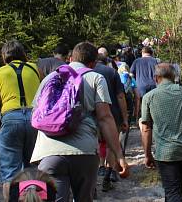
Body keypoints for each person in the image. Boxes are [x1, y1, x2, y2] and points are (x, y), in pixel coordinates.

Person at [31, 41, 129, 202]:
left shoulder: (49, 78)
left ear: (70, 58)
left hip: (48, 152)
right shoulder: (95, 77)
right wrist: (119, 155)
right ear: (93, 63)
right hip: (84, 152)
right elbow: (105, 118)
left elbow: (36, 114)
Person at [140, 63, 182, 202]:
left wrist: (147, 154)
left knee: (173, 191)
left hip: (166, 154)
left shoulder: (149, 97)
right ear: (173, 76)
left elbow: (146, 128)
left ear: (156, 78)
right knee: (174, 189)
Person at [0, 40, 42, 201]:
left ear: (4, 56)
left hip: (10, 118)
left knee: (10, 173)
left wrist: (0, 126)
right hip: (34, 118)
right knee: (33, 169)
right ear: (22, 53)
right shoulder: (35, 69)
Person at [93, 47, 129, 192]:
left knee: (94, 145)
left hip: (91, 114)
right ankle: (108, 175)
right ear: (105, 61)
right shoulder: (112, 72)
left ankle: (93, 181)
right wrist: (125, 118)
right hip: (112, 113)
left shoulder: (85, 72)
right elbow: (120, 96)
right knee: (110, 144)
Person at [130, 46, 158, 118]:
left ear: (142, 53)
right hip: (153, 85)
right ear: (151, 53)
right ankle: (152, 120)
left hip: (140, 86)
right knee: (153, 105)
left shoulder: (136, 61)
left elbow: (131, 74)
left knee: (142, 104)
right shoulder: (155, 61)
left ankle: (141, 120)